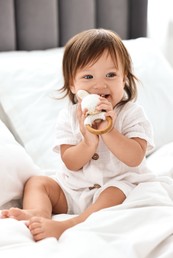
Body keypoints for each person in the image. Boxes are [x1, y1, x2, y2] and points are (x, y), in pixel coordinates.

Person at [1, 28, 154, 241]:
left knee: (116, 191)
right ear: (73, 85)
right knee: (37, 182)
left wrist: (109, 131)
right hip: (74, 189)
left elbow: (135, 157)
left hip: (116, 187)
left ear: (124, 79)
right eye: (88, 76)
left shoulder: (131, 113)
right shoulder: (69, 116)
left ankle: (72, 223)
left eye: (111, 75)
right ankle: (38, 213)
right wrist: (88, 142)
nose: (100, 85)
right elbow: (70, 162)